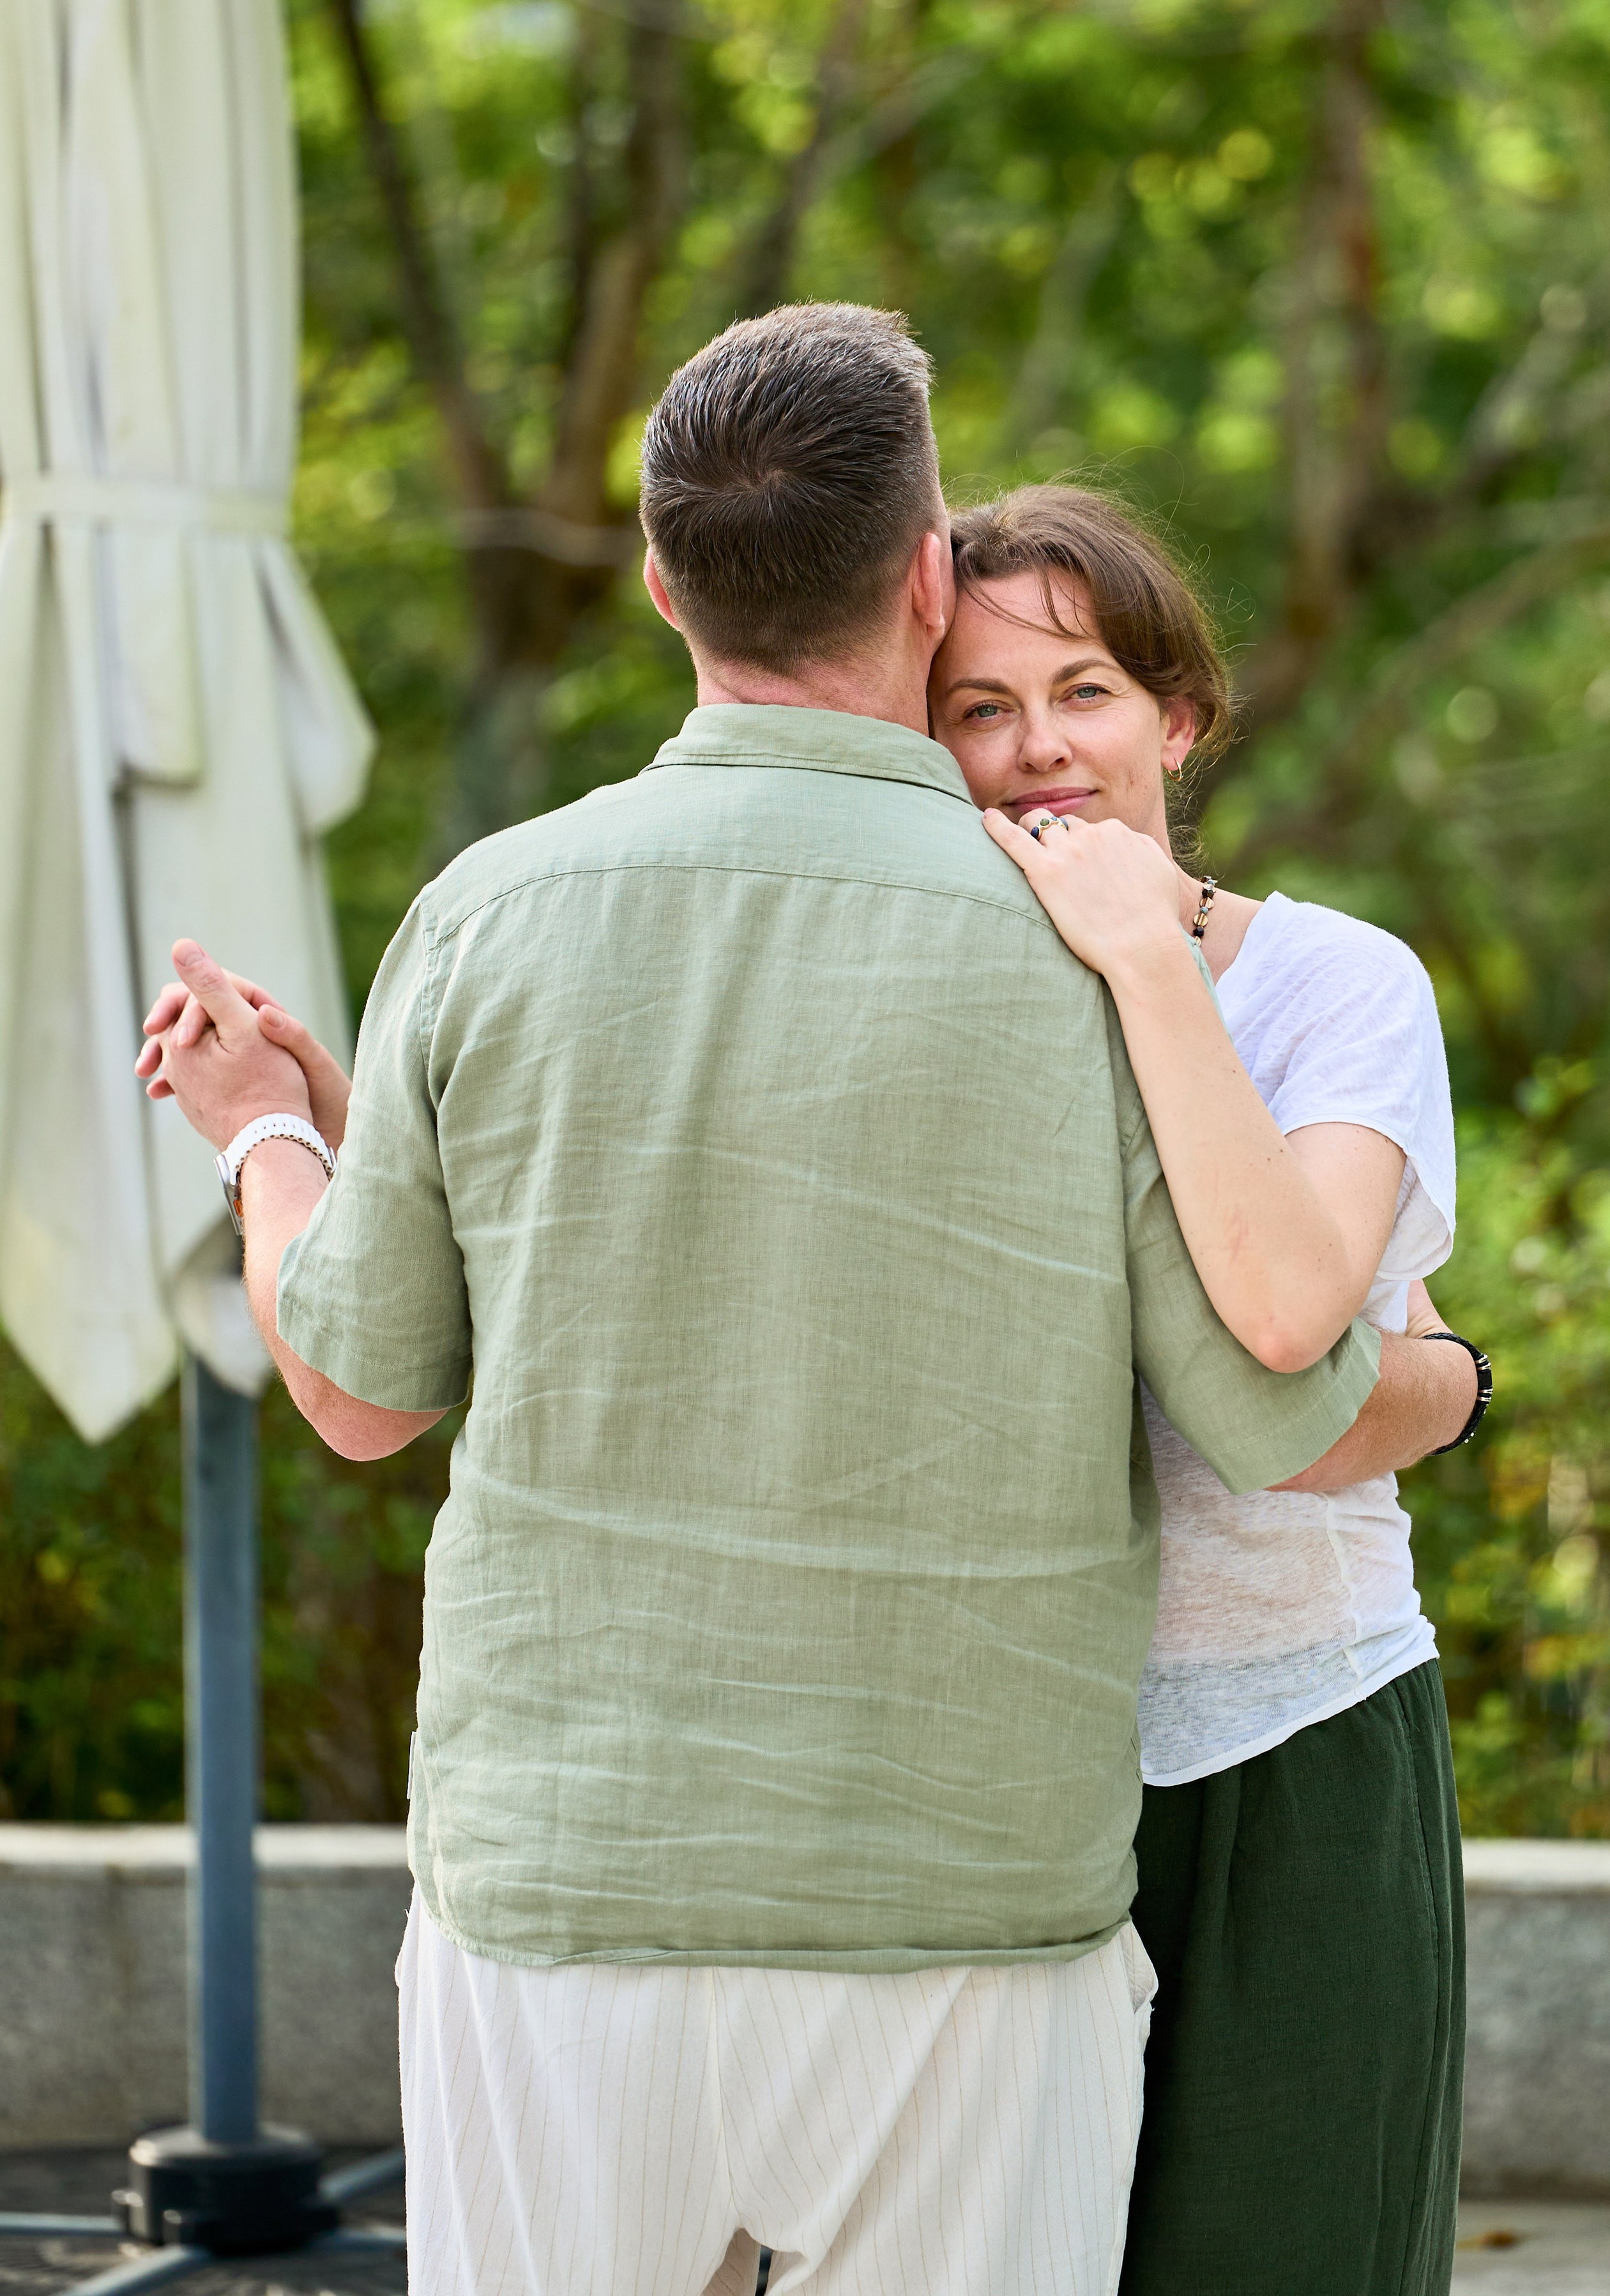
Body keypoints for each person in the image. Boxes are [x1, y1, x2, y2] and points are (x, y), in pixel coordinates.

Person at [137, 306, 1468, 2296]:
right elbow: (1285, 1378)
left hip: (565, 1883)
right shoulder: (1093, 959)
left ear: (662, 581)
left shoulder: (486, 914)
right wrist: (1450, 1380)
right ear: (927, 581)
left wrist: (268, 1141)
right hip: (972, 1897)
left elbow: (351, 1389)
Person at [929, 483, 1478, 2296]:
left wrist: (1150, 956)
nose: (1035, 752)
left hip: (1292, 1741)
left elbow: (1284, 1333)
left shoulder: (1337, 983)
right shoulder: (911, 998)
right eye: (979, 709)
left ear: (1177, 716)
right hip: (989, 1763)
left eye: (1082, 691)